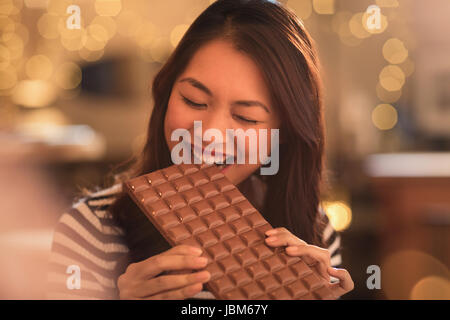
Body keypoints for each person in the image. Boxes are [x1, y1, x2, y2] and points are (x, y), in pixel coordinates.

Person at [46, 0, 353, 300]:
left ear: (283, 132)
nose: (209, 135)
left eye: (246, 117)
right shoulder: (90, 230)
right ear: (166, 94)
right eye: (193, 100)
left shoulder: (314, 232)